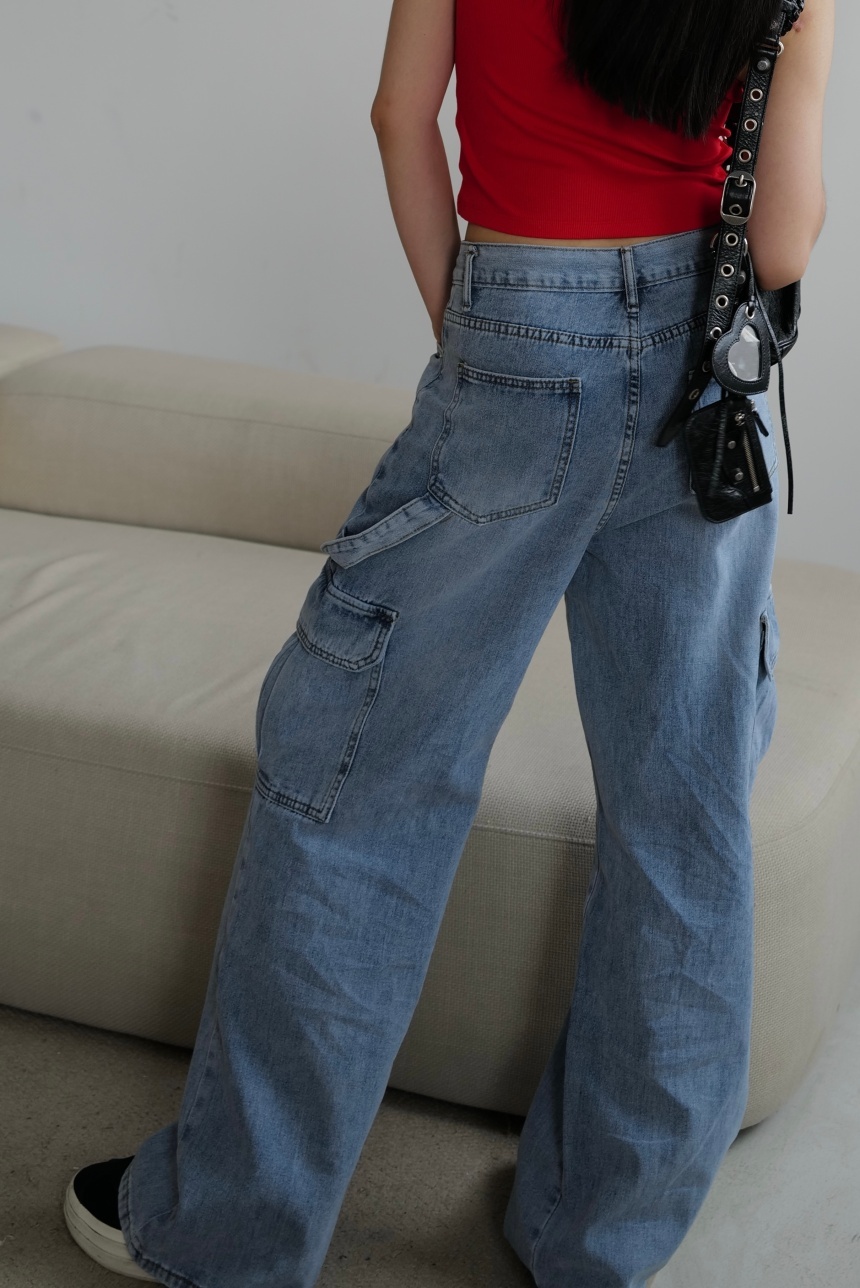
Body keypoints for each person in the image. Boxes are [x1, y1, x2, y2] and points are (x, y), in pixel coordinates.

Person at [64, 0, 833, 1285]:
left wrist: (480, 340)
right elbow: (779, 240)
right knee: (684, 814)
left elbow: (398, 115)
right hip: (702, 373)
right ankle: (595, 1238)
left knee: (356, 781)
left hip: (520, 317)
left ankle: (226, 1237)